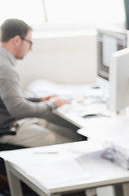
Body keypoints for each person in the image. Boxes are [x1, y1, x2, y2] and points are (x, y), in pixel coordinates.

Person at [0, 18, 79, 148]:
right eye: (30, 43)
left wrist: (39, 100)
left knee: (73, 135)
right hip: (6, 130)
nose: (30, 49)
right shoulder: (5, 68)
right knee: (73, 143)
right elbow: (19, 109)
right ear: (16, 40)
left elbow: (7, 98)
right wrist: (53, 104)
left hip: (10, 123)